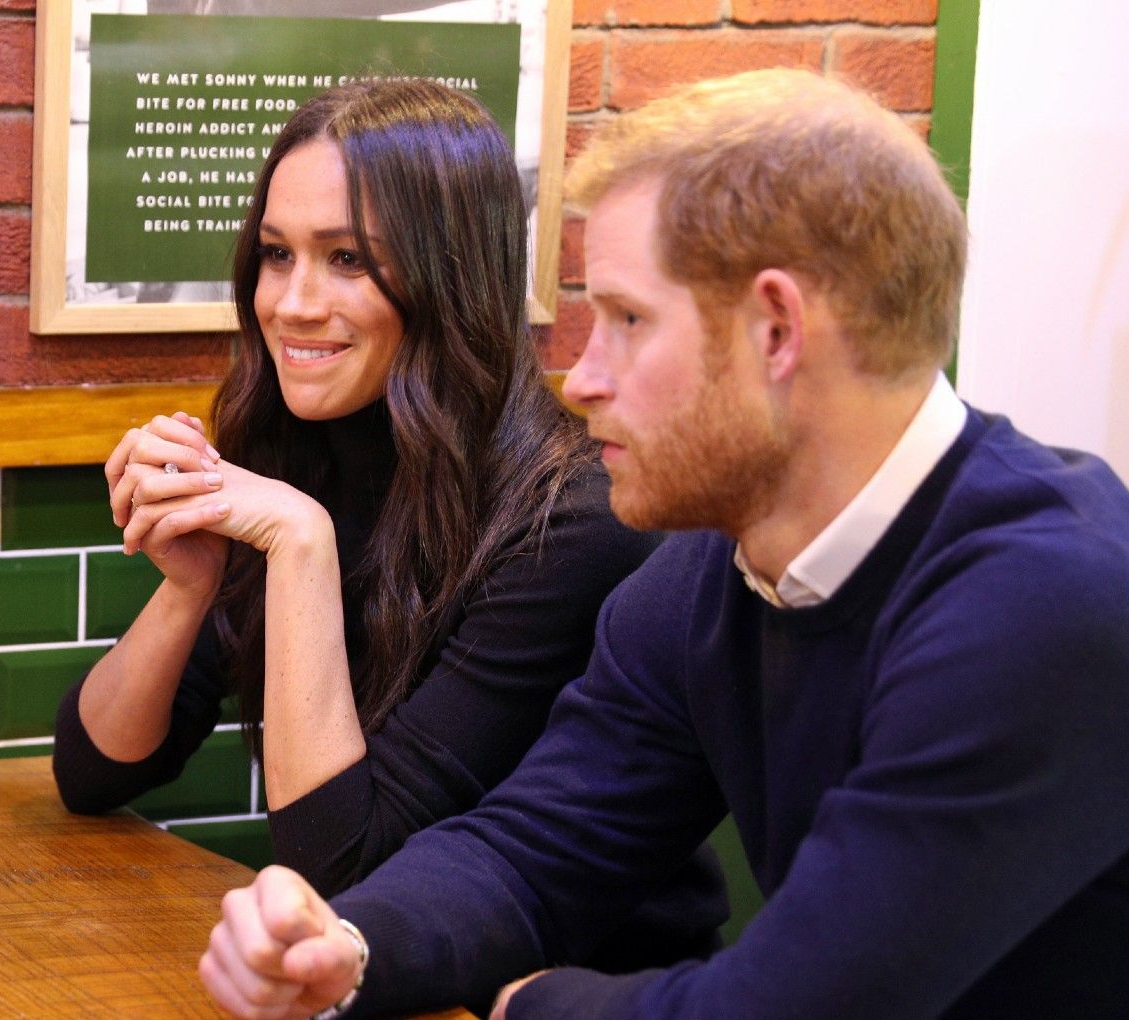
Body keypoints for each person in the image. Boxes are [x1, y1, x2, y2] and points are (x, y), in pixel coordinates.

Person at [197, 67, 1129, 1020]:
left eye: (624, 320)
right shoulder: (712, 568)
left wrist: (523, 999)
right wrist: (347, 948)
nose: (583, 375)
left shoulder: (1041, 609)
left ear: (775, 330)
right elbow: (528, 847)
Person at [53, 77, 725, 971]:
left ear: (450, 276)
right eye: (276, 253)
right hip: (384, 990)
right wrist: (190, 589)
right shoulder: (304, 454)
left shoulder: (570, 523)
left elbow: (348, 866)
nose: (290, 302)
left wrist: (299, 546)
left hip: (581, 1018)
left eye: (347, 260)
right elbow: (93, 772)